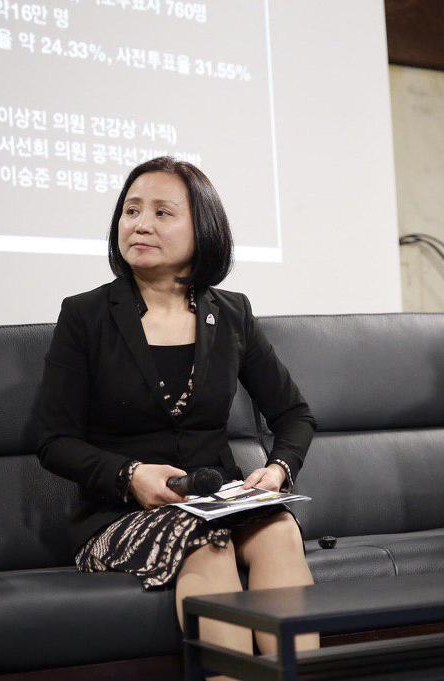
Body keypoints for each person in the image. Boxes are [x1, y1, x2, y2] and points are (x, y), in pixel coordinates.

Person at [31, 156, 319, 664]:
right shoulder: (85, 315)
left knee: (278, 531)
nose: (140, 224)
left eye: (162, 213)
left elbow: (294, 414)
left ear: (202, 229)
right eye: (131, 211)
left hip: (219, 499)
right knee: (207, 541)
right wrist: (130, 475)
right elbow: (52, 440)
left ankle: (302, 675)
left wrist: (276, 471)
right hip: (120, 513)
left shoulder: (231, 313)